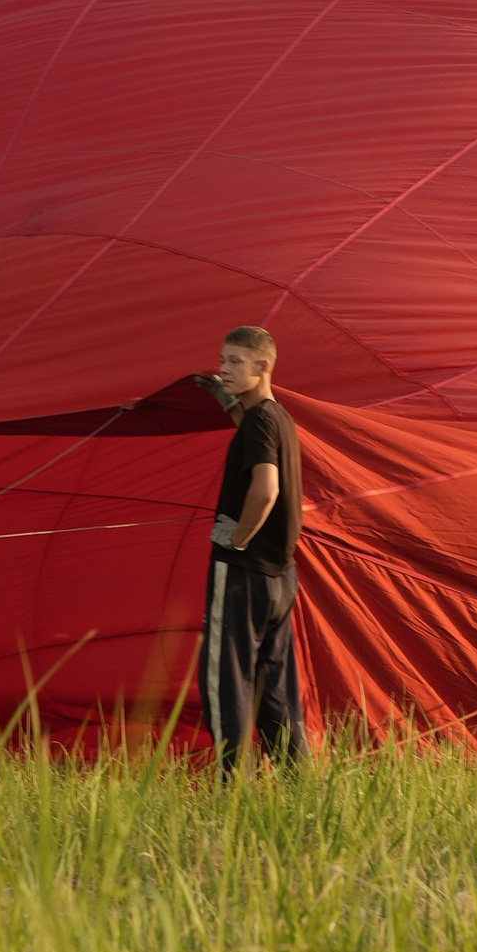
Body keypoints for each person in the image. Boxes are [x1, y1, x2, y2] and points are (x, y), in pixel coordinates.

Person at [199, 324, 306, 775]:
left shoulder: (261, 420)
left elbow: (266, 488)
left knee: (226, 679)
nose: (224, 369)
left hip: (242, 572)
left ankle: (232, 787)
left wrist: (238, 538)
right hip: (279, 577)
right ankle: (297, 781)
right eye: (222, 360)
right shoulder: (276, 417)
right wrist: (229, 405)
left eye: (235, 362)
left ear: (262, 366)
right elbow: (254, 439)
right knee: (273, 681)